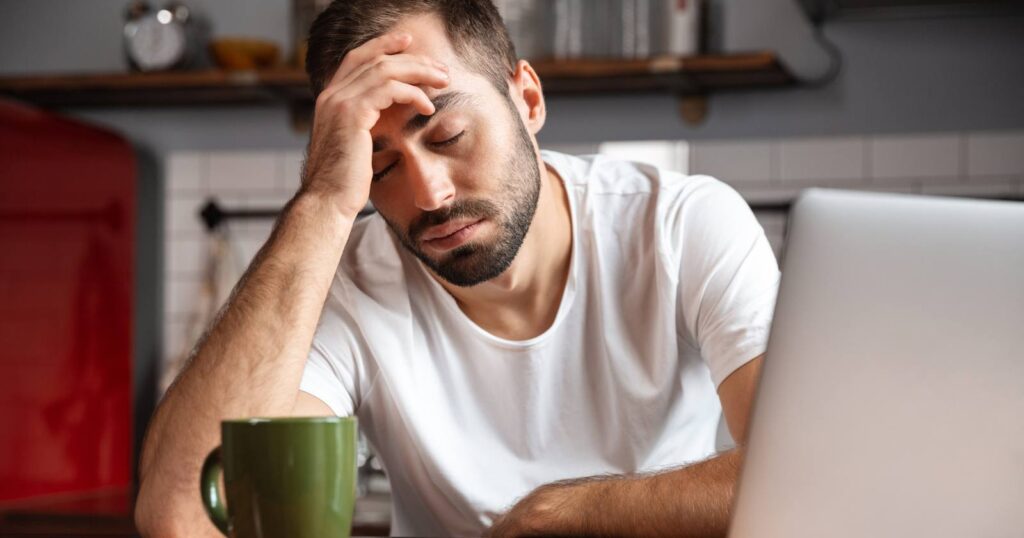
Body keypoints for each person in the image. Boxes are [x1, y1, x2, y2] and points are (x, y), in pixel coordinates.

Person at [134, 1, 780, 536]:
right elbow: (182, 517)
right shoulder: (343, 280)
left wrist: (568, 512)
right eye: (379, 167)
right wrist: (324, 200)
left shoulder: (682, 224)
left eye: (447, 137)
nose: (430, 195)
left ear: (526, 100)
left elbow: (808, 472)